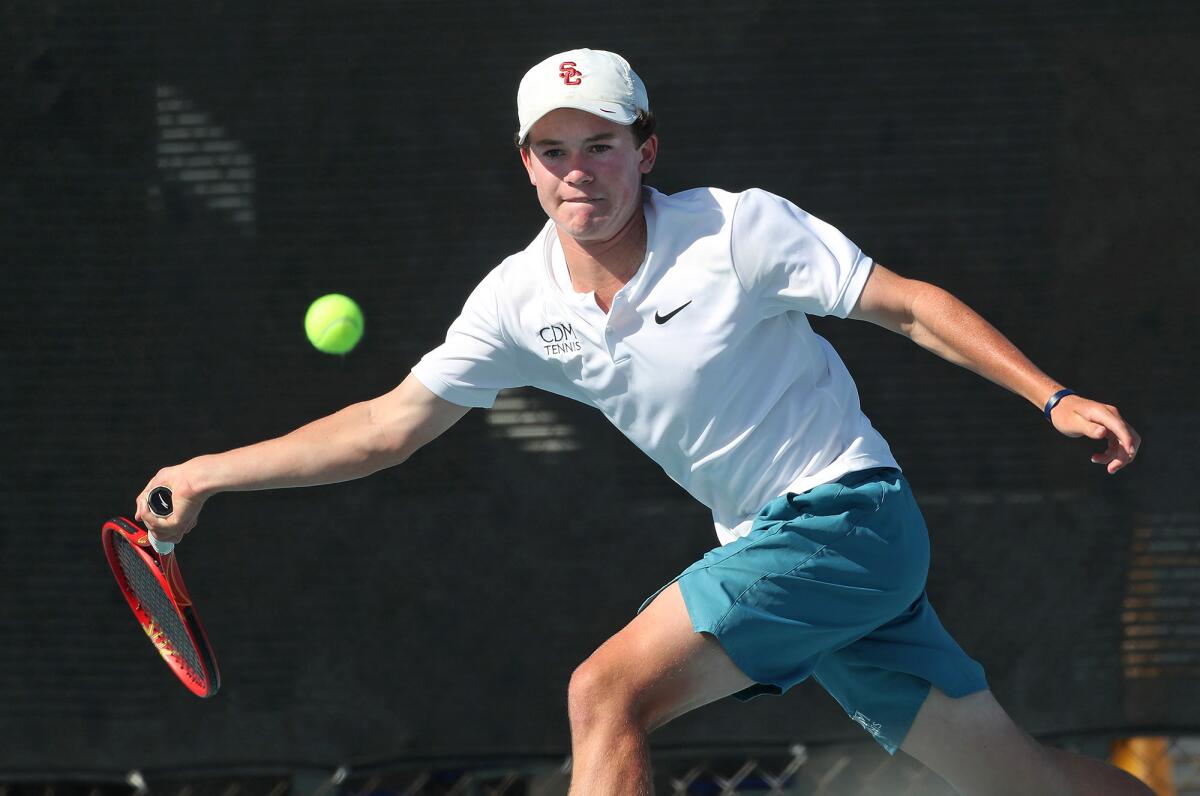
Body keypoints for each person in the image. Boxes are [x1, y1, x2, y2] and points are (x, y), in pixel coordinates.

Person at [136, 49, 1147, 795]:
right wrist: (215, 469)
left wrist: (1050, 396)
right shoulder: (516, 301)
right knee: (1026, 780)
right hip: (777, 546)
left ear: (645, 150)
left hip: (848, 517)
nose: (580, 170)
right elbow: (385, 427)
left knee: (603, 691)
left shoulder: (736, 231)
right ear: (527, 166)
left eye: (603, 146)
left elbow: (910, 304)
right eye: (555, 151)